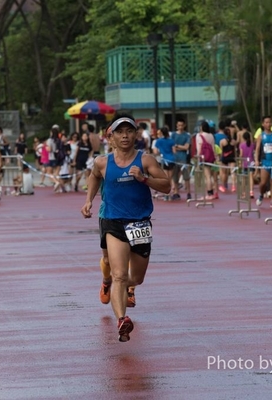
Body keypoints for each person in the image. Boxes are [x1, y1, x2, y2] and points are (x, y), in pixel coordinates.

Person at [81, 115, 170, 343]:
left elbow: (167, 185)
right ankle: (122, 320)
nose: (125, 136)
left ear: (135, 135)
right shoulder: (102, 162)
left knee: (136, 278)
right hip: (113, 222)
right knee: (119, 274)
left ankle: (116, 288)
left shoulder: (145, 160)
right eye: (119, 132)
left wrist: (144, 179)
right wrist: (89, 200)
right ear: (110, 137)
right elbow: (93, 177)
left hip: (139, 223)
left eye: (129, 131)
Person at [254, 116, 272, 206]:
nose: (268, 124)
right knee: (263, 183)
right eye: (266, 122)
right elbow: (257, 149)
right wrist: (256, 160)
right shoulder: (261, 136)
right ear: (263, 124)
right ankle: (261, 195)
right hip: (265, 161)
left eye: (270, 122)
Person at [153, 126, 176, 200]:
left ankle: (167, 193)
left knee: (166, 177)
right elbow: (174, 151)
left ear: (161, 133)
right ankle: (173, 189)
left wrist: (161, 152)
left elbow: (156, 152)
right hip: (171, 160)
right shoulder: (171, 141)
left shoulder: (158, 141)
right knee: (170, 177)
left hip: (164, 160)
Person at [196, 120, 217, 200]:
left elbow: (199, 148)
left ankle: (209, 193)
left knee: (207, 176)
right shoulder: (211, 135)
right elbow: (213, 147)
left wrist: (198, 158)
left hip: (203, 157)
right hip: (210, 157)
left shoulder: (199, 135)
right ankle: (211, 192)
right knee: (210, 176)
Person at [171, 118, 192, 200]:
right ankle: (176, 192)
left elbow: (186, 147)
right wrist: (180, 147)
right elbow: (172, 147)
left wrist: (177, 146)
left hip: (184, 158)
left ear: (184, 125)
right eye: (178, 125)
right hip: (175, 158)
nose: (180, 127)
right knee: (175, 176)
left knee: (186, 176)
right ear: (176, 125)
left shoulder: (187, 135)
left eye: (181, 125)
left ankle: (188, 192)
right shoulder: (173, 135)